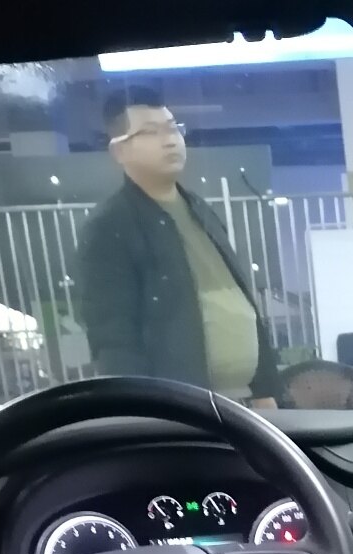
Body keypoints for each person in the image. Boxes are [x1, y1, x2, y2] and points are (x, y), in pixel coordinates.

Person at [77, 87, 280, 408]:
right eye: (150, 132)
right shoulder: (109, 226)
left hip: (243, 402)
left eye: (173, 128)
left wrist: (266, 388)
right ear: (119, 151)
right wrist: (141, 414)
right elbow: (113, 338)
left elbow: (242, 300)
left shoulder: (199, 209)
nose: (170, 140)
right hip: (183, 409)